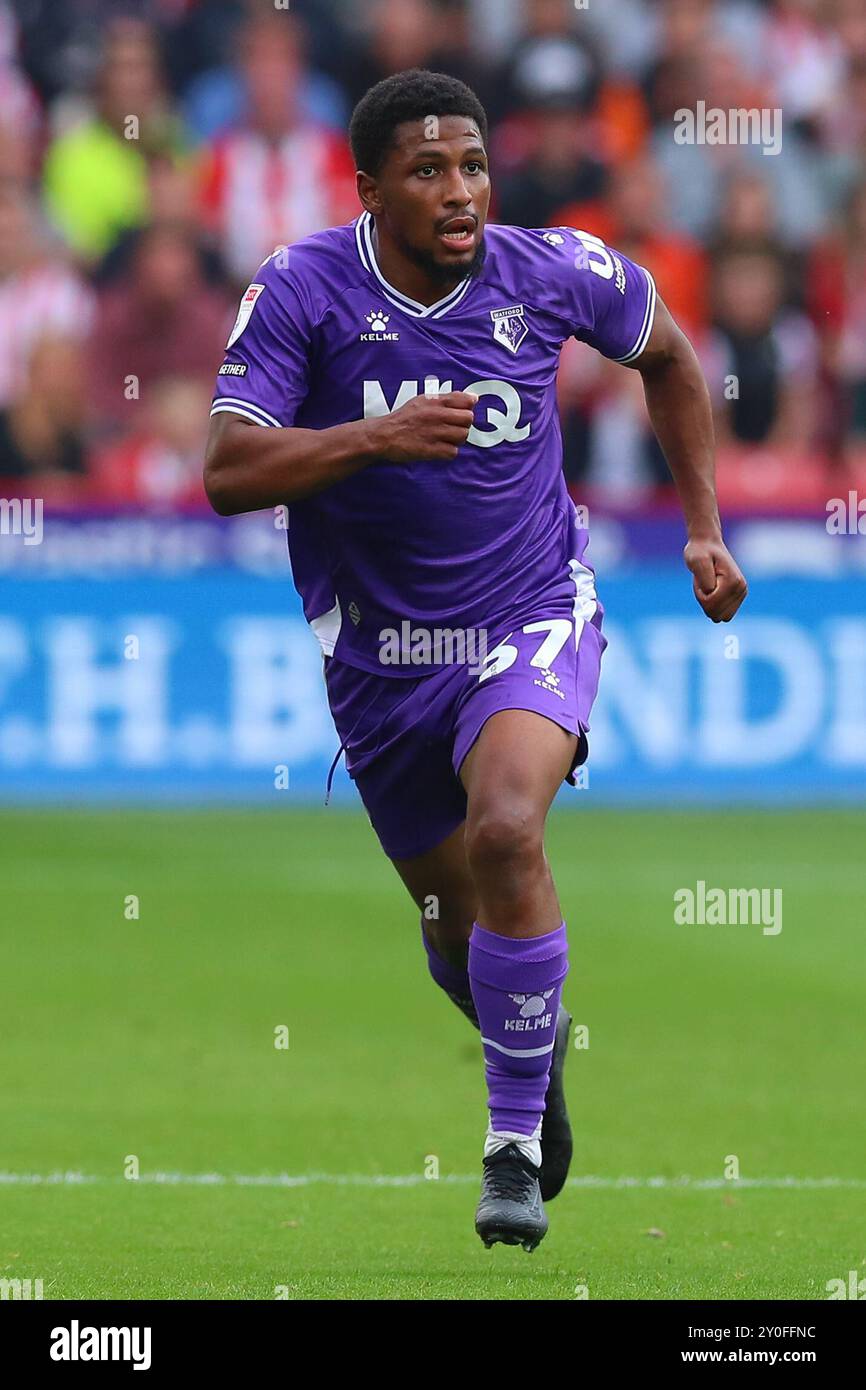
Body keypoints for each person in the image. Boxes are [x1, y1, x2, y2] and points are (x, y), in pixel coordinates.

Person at [203, 68, 747, 1252]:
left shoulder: (548, 269)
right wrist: (373, 437)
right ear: (371, 189)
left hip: (529, 610)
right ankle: (530, 1053)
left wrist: (702, 525)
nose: (460, 192)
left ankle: (505, 1151)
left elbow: (667, 355)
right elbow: (227, 473)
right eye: (428, 171)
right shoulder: (302, 290)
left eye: (472, 166)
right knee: (460, 927)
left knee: (508, 829)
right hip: (383, 657)